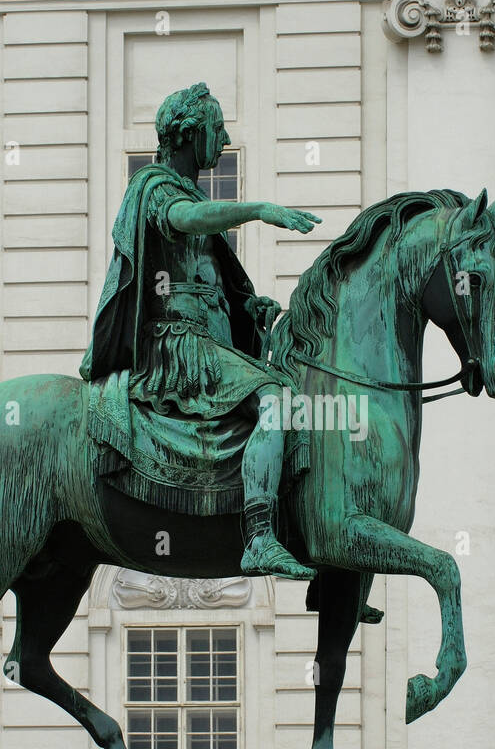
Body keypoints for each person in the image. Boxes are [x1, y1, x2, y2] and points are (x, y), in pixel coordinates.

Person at [79, 82, 321, 580]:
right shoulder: (154, 187)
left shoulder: (189, 192)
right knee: (276, 397)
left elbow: (207, 283)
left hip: (207, 341)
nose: (226, 137)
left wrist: (247, 309)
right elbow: (184, 220)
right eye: (218, 128)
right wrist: (256, 210)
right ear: (191, 135)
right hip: (175, 345)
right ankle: (258, 536)